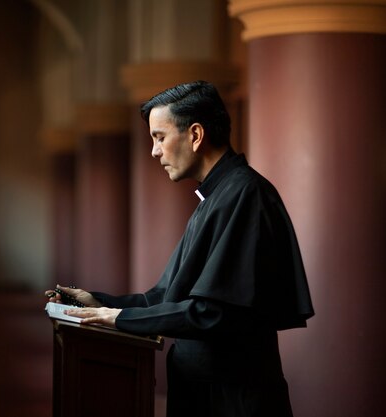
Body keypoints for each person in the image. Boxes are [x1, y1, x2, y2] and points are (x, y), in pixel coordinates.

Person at [45, 81, 314, 417]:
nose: (155, 151)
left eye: (159, 137)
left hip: (233, 400)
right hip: (206, 392)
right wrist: (100, 302)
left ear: (196, 135)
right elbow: (166, 296)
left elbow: (216, 313)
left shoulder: (245, 195)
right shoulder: (215, 197)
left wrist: (119, 319)